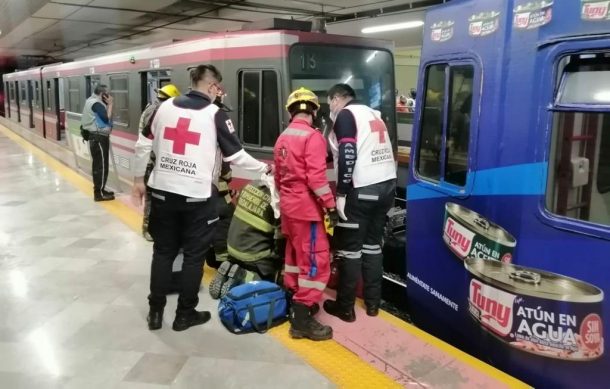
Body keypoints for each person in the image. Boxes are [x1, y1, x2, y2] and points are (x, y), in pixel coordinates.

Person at [132, 64, 271, 332]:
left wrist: (139, 181)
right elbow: (236, 156)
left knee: (162, 253)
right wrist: (264, 168)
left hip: (162, 193)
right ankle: (184, 315)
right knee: (194, 257)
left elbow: (142, 145)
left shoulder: (163, 107)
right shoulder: (214, 114)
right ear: (211, 86)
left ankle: (155, 313)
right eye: (218, 88)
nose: (220, 93)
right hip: (197, 198)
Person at [323, 83, 397, 322]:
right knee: (373, 246)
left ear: (336, 99)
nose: (330, 109)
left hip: (362, 189)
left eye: (329, 104)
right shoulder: (373, 114)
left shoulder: (346, 114)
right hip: (386, 187)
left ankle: (345, 307)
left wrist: (342, 192)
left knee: (350, 250)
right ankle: (373, 304)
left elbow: (347, 152)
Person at [274, 87, 338, 341]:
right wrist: (330, 206)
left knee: (293, 255)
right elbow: (317, 179)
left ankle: (293, 300)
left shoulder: (283, 137)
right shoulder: (313, 137)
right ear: (313, 110)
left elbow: (278, 178)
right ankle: (301, 319)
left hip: (289, 210)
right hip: (307, 211)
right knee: (315, 262)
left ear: (291, 112)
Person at [209, 177, 283, 299]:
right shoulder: (278, 200)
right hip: (252, 257)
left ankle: (230, 269)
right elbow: (280, 242)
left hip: (231, 248)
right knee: (275, 263)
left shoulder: (252, 184)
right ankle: (245, 277)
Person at [140, 84, 181, 241]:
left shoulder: (151, 108)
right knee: (153, 197)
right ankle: (148, 229)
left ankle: (155, 228)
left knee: (156, 198)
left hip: (150, 160)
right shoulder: (159, 111)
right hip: (152, 162)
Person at [81, 85, 114, 202]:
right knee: (101, 166)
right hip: (99, 138)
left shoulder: (89, 101)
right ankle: (99, 193)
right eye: (107, 94)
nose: (109, 96)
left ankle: (101, 190)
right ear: (103, 94)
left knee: (99, 165)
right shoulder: (97, 103)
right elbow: (106, 119)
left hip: (95, 138)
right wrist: (110, 104)